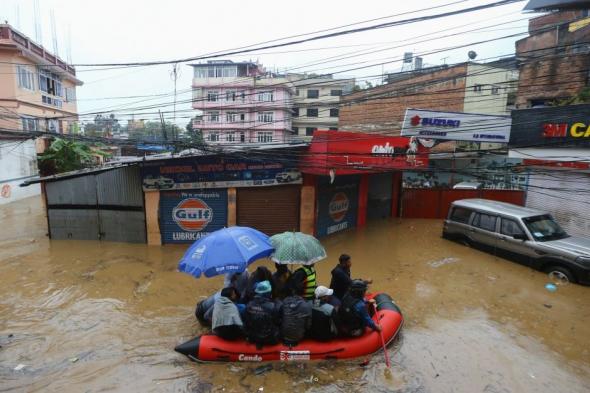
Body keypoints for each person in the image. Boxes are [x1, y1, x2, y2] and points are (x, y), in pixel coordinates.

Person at [243, 280, 282, 348]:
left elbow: (246, 322)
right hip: (271, 339)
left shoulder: (249, 305)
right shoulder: (273, 306)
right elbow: (277, 322)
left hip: (253, 338)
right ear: (268, 293)